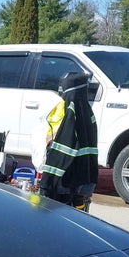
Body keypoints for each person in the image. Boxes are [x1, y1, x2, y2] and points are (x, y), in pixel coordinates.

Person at [37, 71, 98, 211]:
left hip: (66, 180)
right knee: (79, 214)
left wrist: (47, 182)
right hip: (85, 177)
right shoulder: (88, 112)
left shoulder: (72, 111)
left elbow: (64, 149)